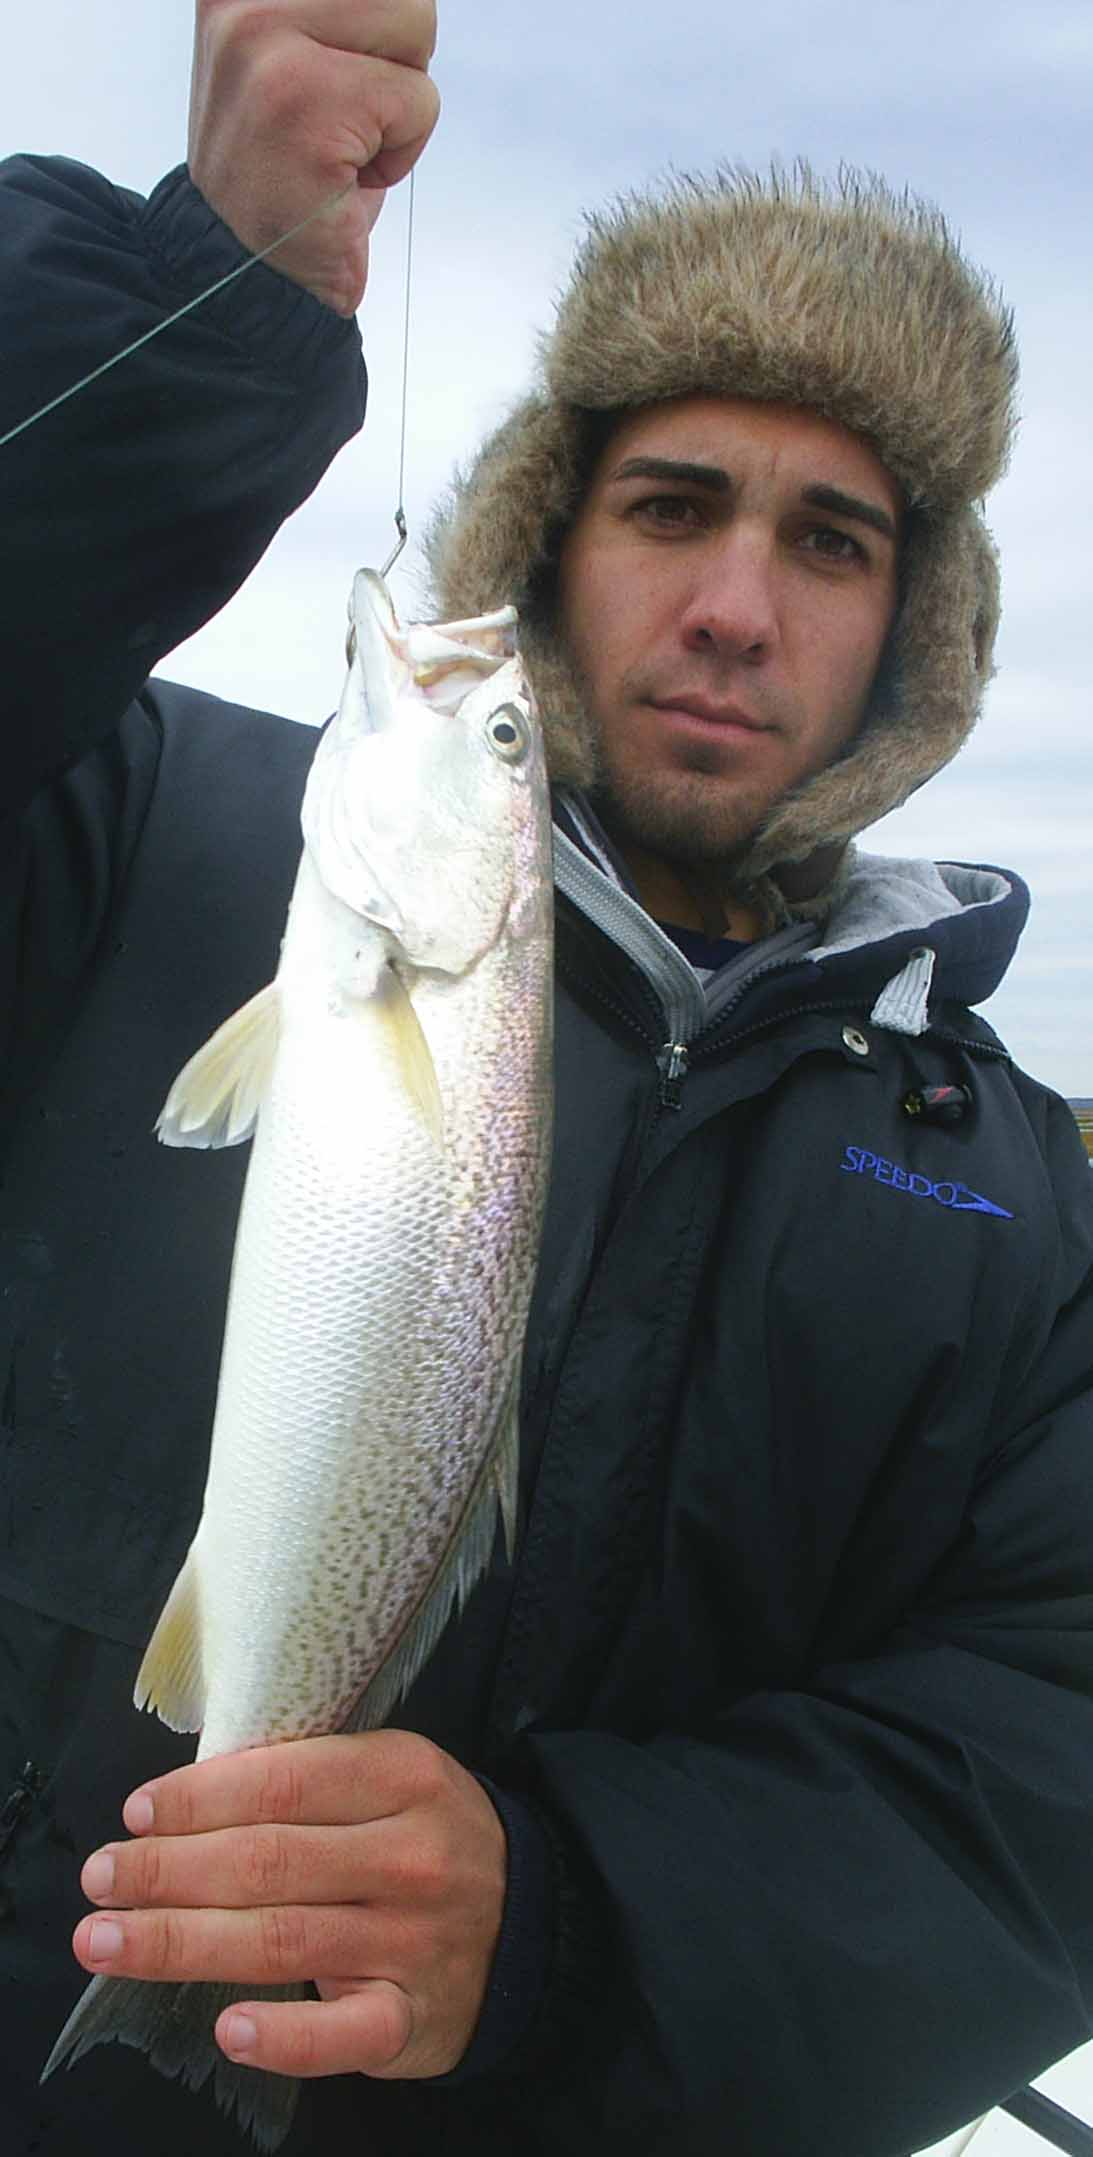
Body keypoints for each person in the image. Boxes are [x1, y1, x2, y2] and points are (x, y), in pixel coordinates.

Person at [2, 5, 1092, 2154]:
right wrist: (197, 291)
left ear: (916, 624)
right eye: (669, 505)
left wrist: (580, 1918)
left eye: (830, 543)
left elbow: (1047, 1740)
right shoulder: (138, 818)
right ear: (542, 534)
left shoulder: (1020, 1198)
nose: (731, 607)